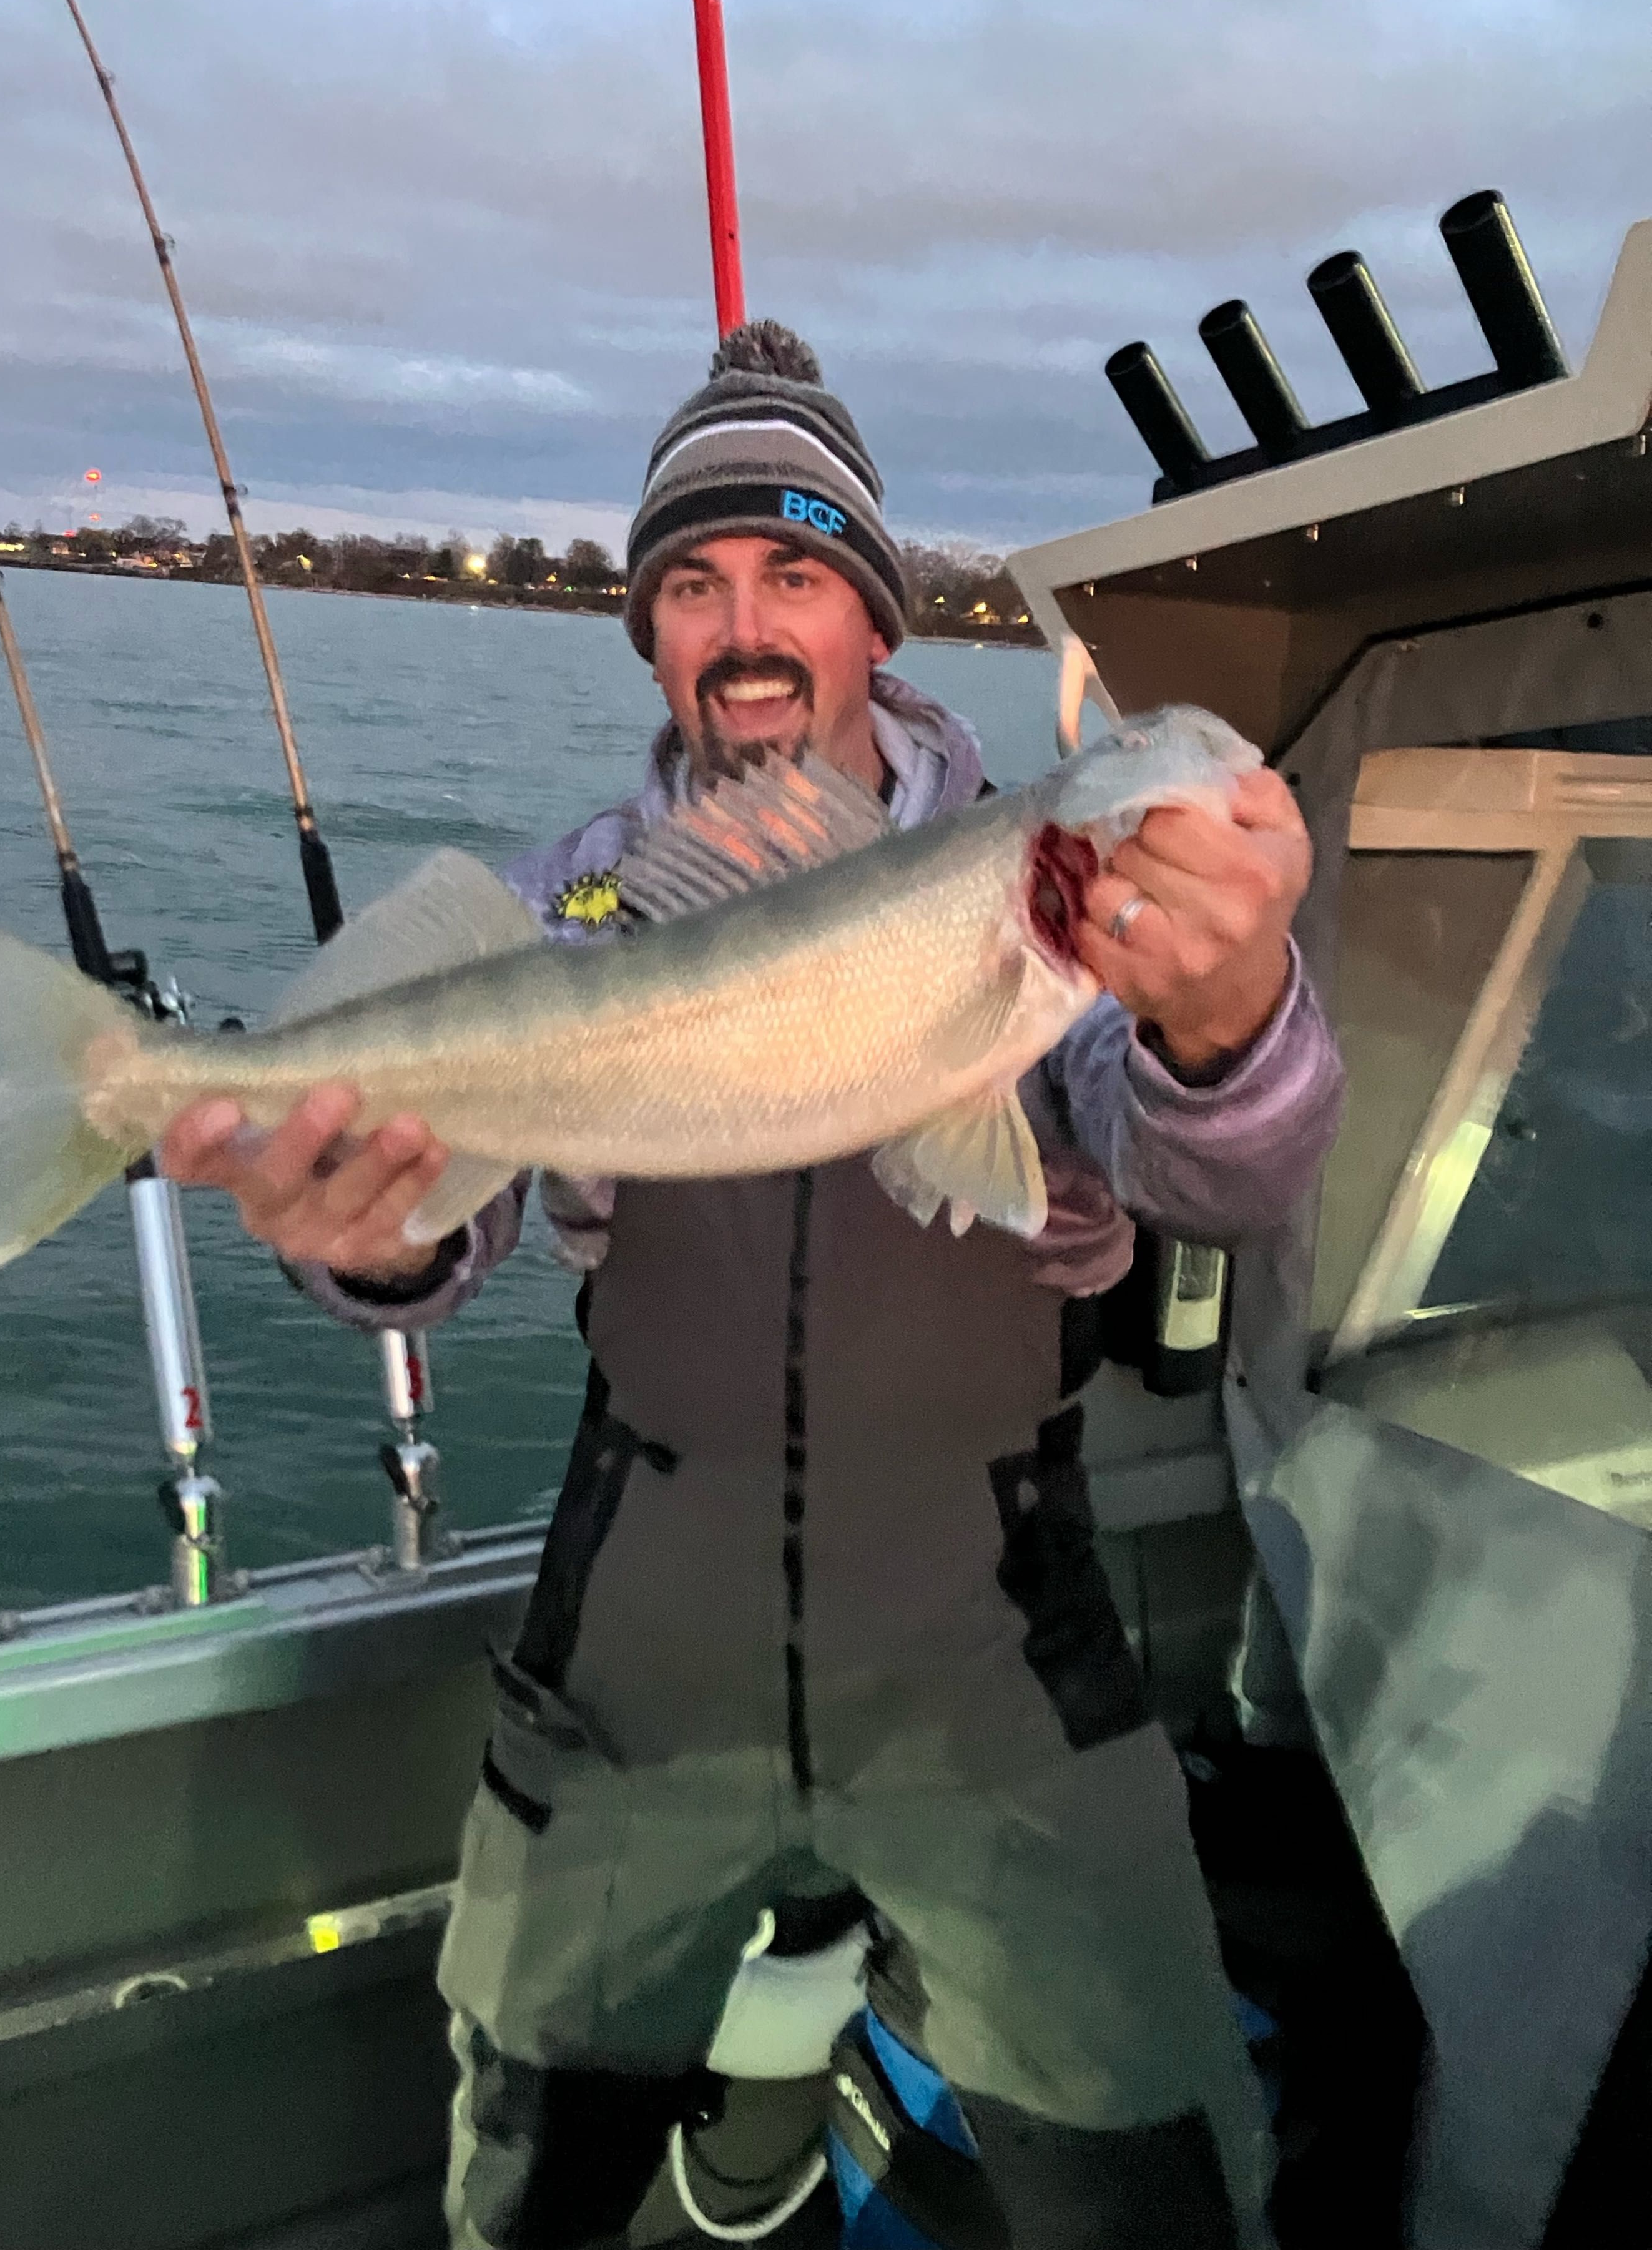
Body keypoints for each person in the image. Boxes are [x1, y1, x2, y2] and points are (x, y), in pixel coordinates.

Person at [164, 323, 1344, 2250]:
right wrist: (363, 1232)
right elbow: (432, 1224)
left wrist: (1227, 1019)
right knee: (530, 2186)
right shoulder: (578, 901)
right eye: (694, 585)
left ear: (878, 616)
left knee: (1151, 2184)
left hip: (991, 1641)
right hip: (637, 1641)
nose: (745, 628)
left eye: (795, 571)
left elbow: (1229, 1167)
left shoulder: (1035, 881)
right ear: (649, 636)